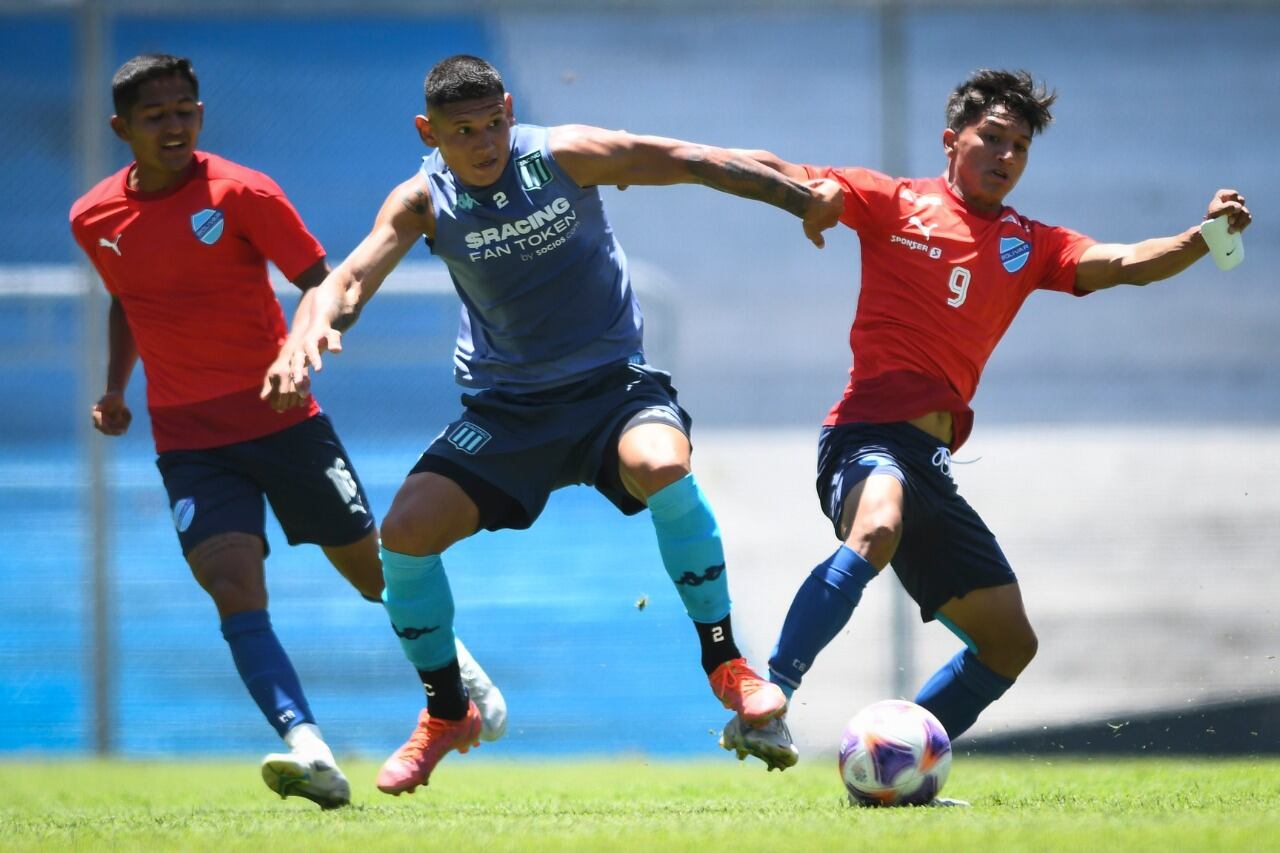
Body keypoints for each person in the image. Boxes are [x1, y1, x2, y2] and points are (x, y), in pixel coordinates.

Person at [268, 53, 844, 796]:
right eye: (463, 131)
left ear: (511, 108)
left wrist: (797, 198)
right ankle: (447, 712)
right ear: (428, 131)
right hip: (507, 414)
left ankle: (728, 665)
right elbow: (346, 278)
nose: (483, 143)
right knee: (404, 535)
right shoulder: (422, 200)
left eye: (494, 123)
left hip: (611, 392)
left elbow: (687, 158)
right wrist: (305, 330)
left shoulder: (560, 156)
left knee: (664, 465)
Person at [717, 68, 1252, 782]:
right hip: (867, 435)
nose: (1005, 157)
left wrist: (1200, 236)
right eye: (991, 139)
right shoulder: (896, 201)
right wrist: (799, 195)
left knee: (1009, 644)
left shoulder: (1030, 243)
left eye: (1019, 148)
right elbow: (798, 176)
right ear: (952, 141)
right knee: (876, 523)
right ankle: (770, 695)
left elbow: (1124, 263)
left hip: (932, 465)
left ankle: (891, 761)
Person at [69, 53, 507, 809]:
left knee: (374, 575)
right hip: (188, 440)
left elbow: (320, 282)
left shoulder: (243, 193)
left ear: (201, 116)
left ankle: (458, 671)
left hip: (283, 422)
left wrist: (292, 354)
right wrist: (114, 388)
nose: (174, 125)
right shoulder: (94, 217)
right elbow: (126, 297)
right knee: (232, 586)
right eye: (155, 115)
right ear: (121, 128)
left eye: (185, 111)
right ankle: (309, 749)